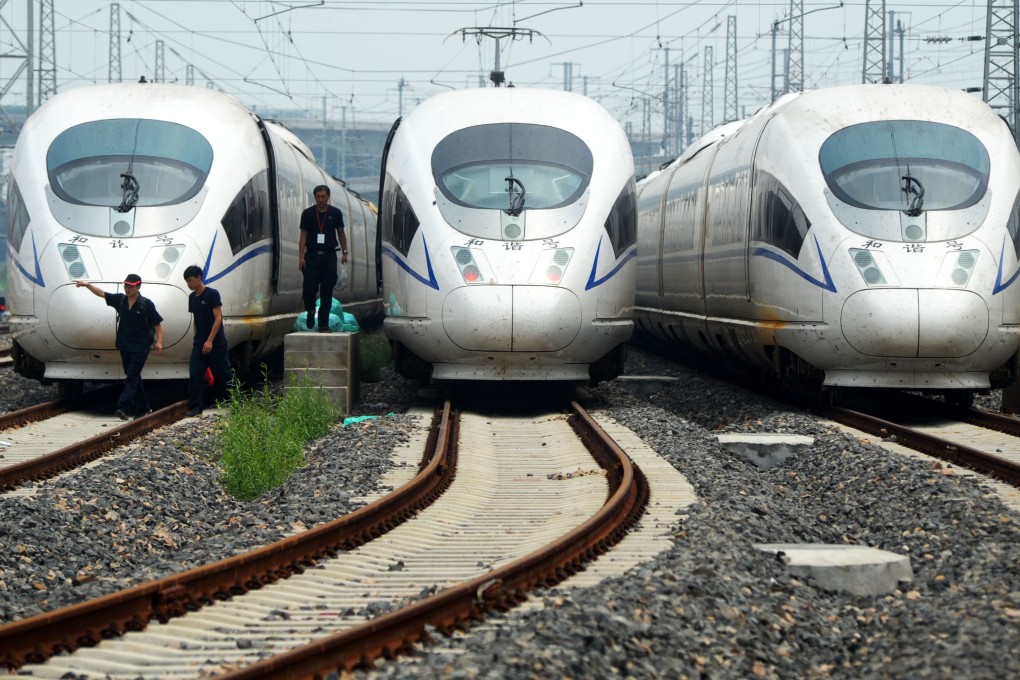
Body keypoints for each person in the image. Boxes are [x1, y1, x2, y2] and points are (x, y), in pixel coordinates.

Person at [75, 274, 163, 420]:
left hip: (141, 346)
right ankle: (145, 408)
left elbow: (157, 324)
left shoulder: (146, 304)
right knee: (133, 377)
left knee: (131, 377)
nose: (128, 288)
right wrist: (87, 285)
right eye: (126, 285)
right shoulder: (120, 300)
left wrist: (159, 341)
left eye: (131, 286)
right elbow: (101, 294)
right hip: (124, 345)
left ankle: (123, 407)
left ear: (138, 286)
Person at [182, 265, 233, 417]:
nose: (188, 284)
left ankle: (232, 401)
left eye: (190, 280)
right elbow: (196, 320)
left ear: (199, 278)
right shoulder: (192, 298)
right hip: (199, 343)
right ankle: (196, 406)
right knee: (195, 373)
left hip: (216, 343)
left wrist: (210, 340)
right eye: (186, 281)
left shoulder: (212, 294)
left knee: (223, 374)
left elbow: (218, 318)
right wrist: (198, 338)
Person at [299, 184, 349, 333]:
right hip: (312, 256)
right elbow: (303, 235)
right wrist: (301, 256)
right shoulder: (307, 214)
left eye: (323, 196)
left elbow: (341, 232)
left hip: (329, 256)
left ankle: (323, 325)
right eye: (318, 197)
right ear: (315, 197)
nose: (321, 199)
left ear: (328, 197)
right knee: (309, 288)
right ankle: (310, 310)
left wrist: (345, 252)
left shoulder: (335, 213)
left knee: (327, 292)